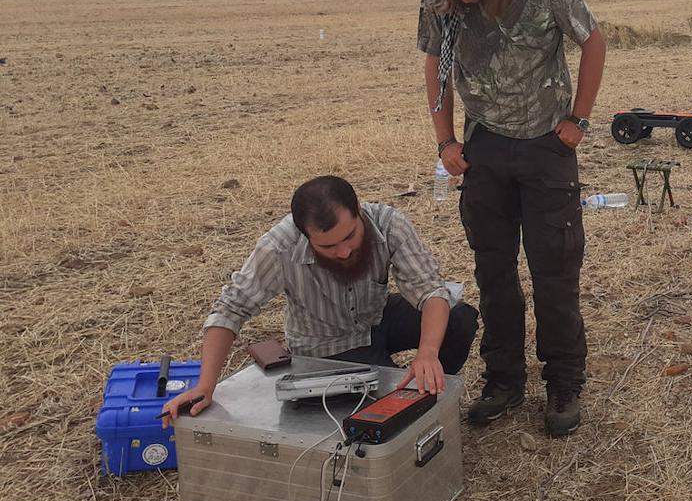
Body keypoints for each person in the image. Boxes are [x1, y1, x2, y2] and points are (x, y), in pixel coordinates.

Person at [417, 0, 606, 437]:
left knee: (555, 271)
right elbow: (437, 62)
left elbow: (592, 40)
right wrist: (446, 141)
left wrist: (579, 120)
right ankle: (503, 378)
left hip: (547, 145)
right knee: (493, 272)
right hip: (486, 150)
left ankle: (564, 380)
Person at [161, 175, 479, 422]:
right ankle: (408, 403)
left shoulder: (388, 223)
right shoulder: (279, 247)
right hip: (327, 348)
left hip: (377, 317)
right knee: (385, 410)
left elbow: (430, 290)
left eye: (350, 236)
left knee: (459, 317)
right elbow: (231, 308)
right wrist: (206, 385)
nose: (343, 251)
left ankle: (432, 391)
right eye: (327, 247)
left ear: (359, 213)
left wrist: (427, 353)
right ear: (305, 235)